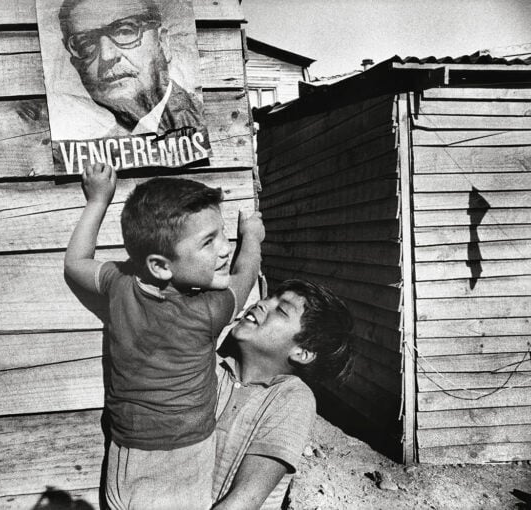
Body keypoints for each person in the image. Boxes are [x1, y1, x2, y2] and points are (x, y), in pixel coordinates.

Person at [64, 163, 264, 510]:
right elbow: (244, 275)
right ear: (160, 265)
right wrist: (252, 237)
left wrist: (97, 200)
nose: (224, 249)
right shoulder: (209, 310)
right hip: (185, 458)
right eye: (208, 242)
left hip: (125, 454)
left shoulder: (120, 285)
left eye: (224, 235)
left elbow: (75, 263)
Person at [212, 279, 355, 509]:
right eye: (268, 298)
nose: (260, 304)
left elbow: (244, 501)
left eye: (280, 309)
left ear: (302, 352)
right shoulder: (209, 366)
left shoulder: (291, 398)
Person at [59, 0, 205, 136]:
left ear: (162, 43)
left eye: (125, 32)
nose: (107, 55)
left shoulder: (203, 121)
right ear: (75, 64)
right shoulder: (99, 154)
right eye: (86, 43)